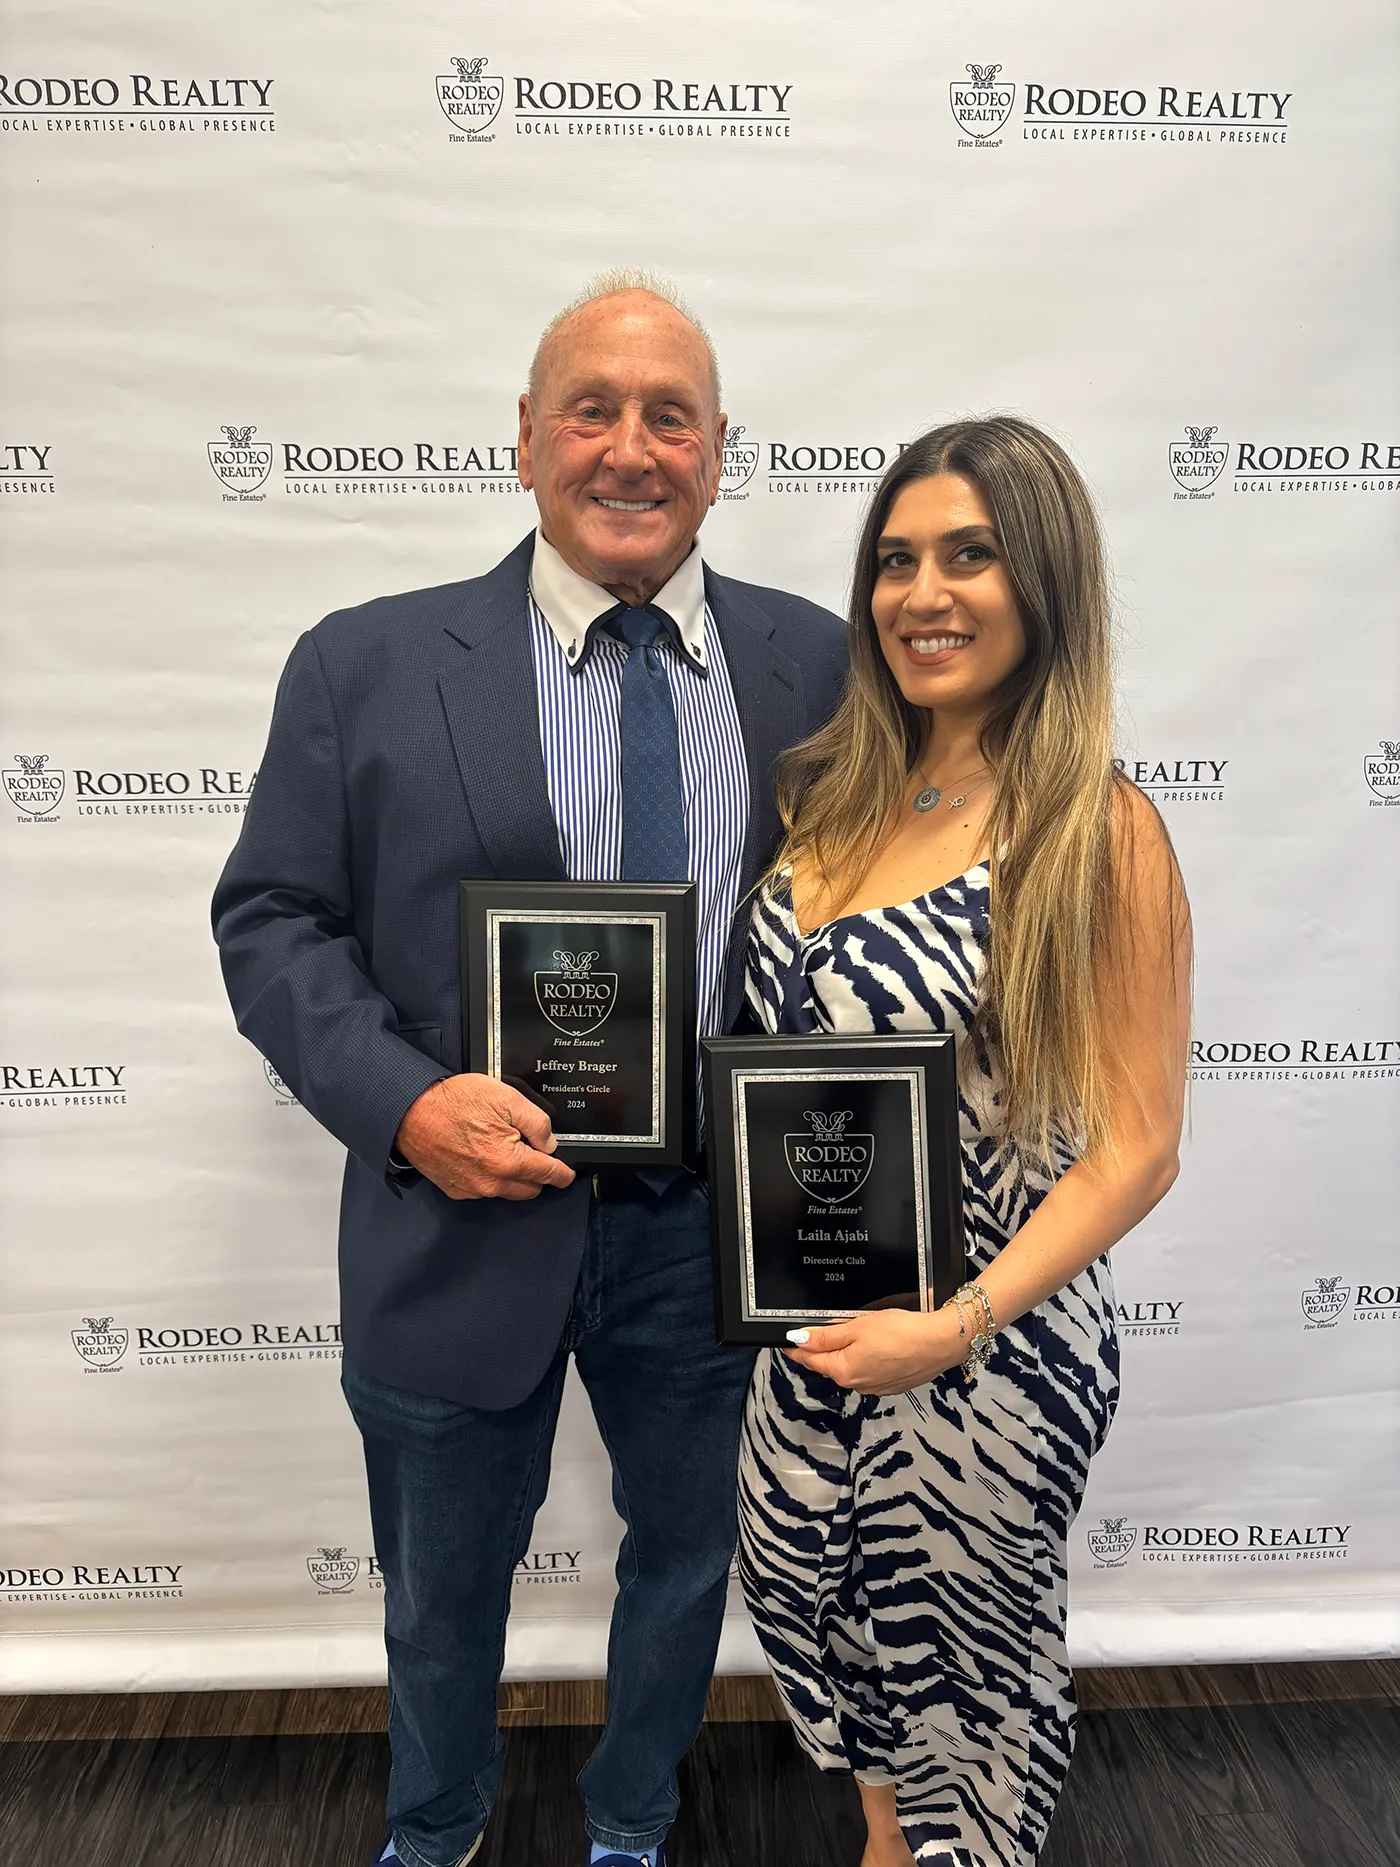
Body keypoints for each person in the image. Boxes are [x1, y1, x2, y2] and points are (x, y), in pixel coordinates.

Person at [211, 270, 847, 1867]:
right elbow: (271, 920)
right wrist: (406, 1102)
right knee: (438, 1591)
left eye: (670, 416)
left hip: (713, 1234)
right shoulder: (362, 664)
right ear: (524, 437)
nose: (630, 448)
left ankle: (633, 1816)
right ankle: (434, 1829)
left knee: (689, 1558)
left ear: (720, 451)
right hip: (457, 1216)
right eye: (592, 409)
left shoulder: (823, 667)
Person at [737, 416, 1191, 1867]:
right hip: (815, 1336)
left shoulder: (1097, 831)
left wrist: (956, 1322)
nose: (922, 594)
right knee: (831, 1632)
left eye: (969, 556)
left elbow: (1140, 1145)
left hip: (987, 1353)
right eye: (895, 560)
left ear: (1041, 580)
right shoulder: (831, 794)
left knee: (964, 1698)